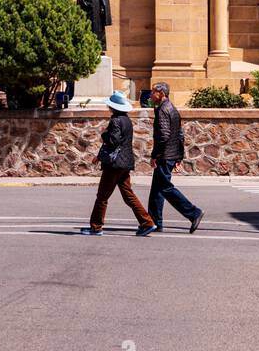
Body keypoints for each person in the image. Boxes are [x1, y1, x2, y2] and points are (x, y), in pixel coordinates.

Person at [82, 91, 156, 237]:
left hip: (114, 165)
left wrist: (104, 134)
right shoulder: (127, 120)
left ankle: (96, 227)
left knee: (102, 196)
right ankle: (147, 222)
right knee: (128, 195)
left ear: (113, 107)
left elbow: (113, 141)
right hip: (125, 162)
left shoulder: (115, 120)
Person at [148, 82, 203, 233]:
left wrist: (155, 155)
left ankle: (194, 213)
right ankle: (154, 222)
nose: (151, 94)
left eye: (153, 91)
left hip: (165, 156)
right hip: (170, 155)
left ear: (161, 93)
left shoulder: (163, 110)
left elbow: (164, 136)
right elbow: (180, 135)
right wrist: (179, 157)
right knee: (156, 191)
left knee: (165, 188)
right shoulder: (172, 109)